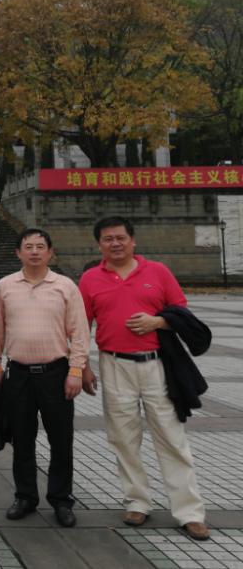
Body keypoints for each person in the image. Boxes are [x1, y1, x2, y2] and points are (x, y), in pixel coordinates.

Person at [79, 216, 209, 541]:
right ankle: (137, 501)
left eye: (120, 237)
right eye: (108, 239)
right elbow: (81, 325)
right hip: (113, 364)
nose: (115, 243)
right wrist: (82, 366)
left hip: (156, 364)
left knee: (171, 437)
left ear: (133, 240)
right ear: (99, 245)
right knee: (123, 437)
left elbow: (181, 311)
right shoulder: (91, 278)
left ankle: (190, 512)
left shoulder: (158, 272)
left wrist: (158, 322)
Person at [0, 228, 89, 528]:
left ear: (50, 252)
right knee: (22, 438)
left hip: (56, 373)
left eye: (40, 246)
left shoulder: (65, 286)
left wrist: (76, 370)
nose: (34, 251)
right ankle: (25, 497)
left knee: (61, 439)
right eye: (28, 246)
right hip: (18, 374)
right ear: (18, 253)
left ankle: (61, 499)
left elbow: (79, 332)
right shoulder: (5, 286)